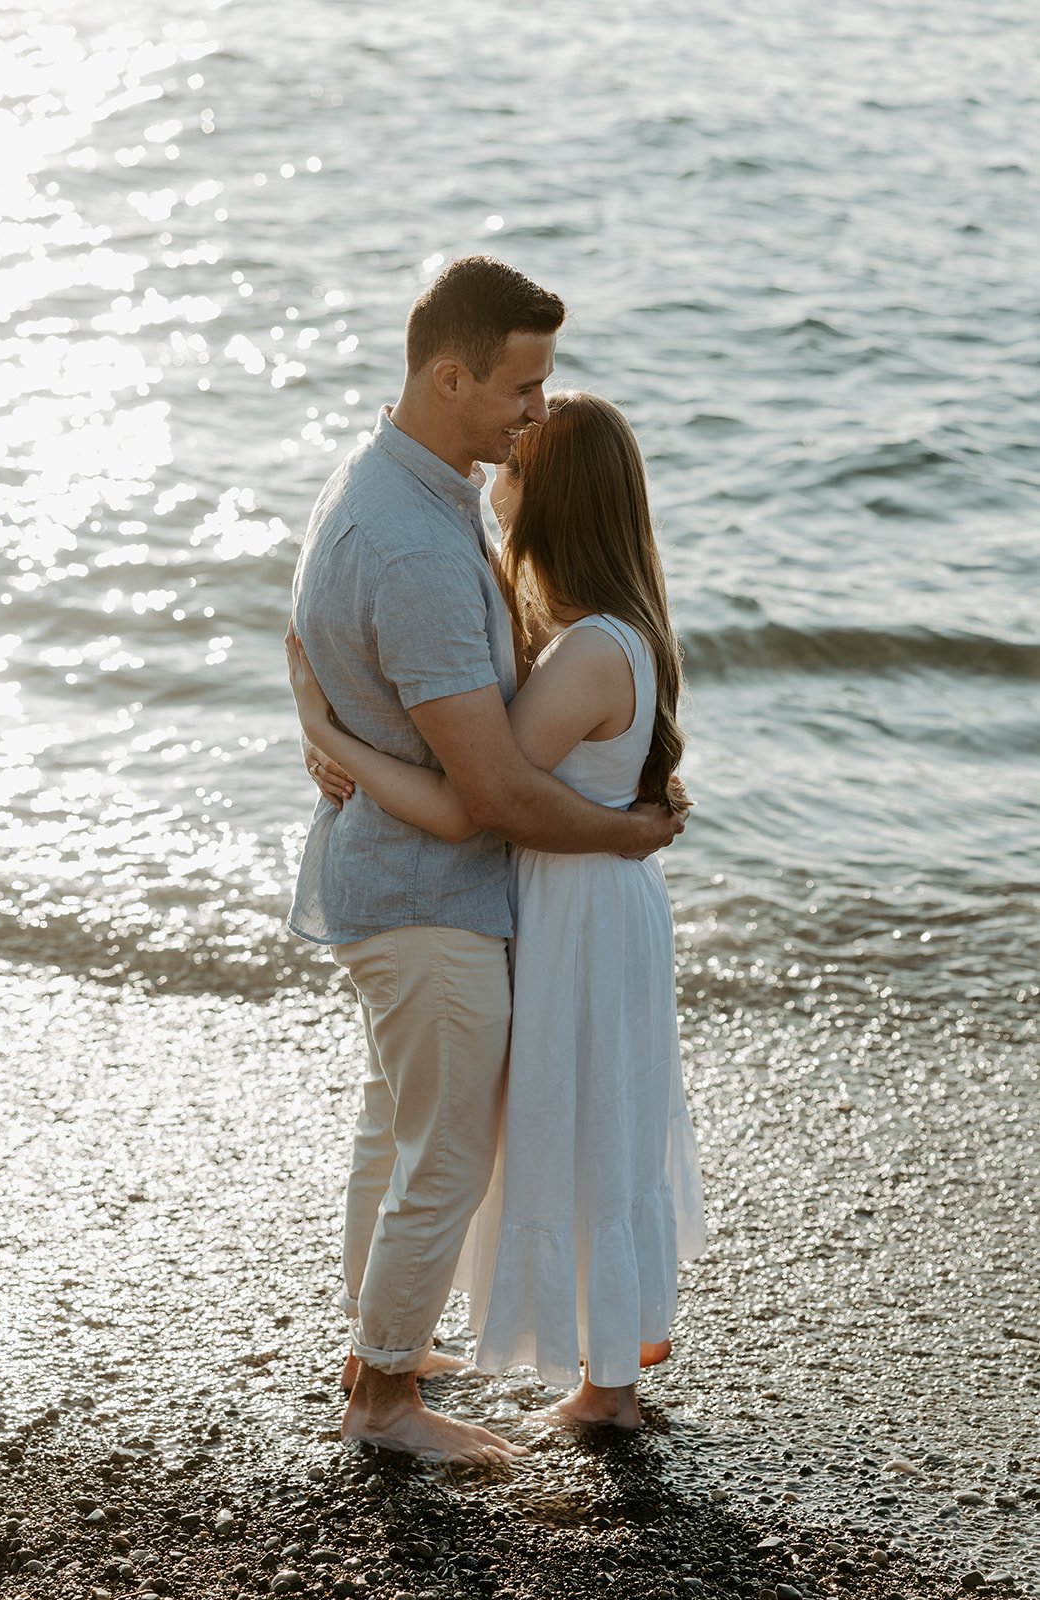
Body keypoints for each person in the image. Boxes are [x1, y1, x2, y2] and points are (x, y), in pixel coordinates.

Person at [287, 258, 685, 1465]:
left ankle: (380, 1344)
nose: (533, 414)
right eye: (522, 386)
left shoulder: (394, 484)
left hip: (401, 887)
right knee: (444, 1147)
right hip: (424, 896)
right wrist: (621, 829)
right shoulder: (414, 539)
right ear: (449, 375)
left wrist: (318, 710)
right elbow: (489, 798)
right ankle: (384, 1400)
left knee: (397, 1125)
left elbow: (314, 628)